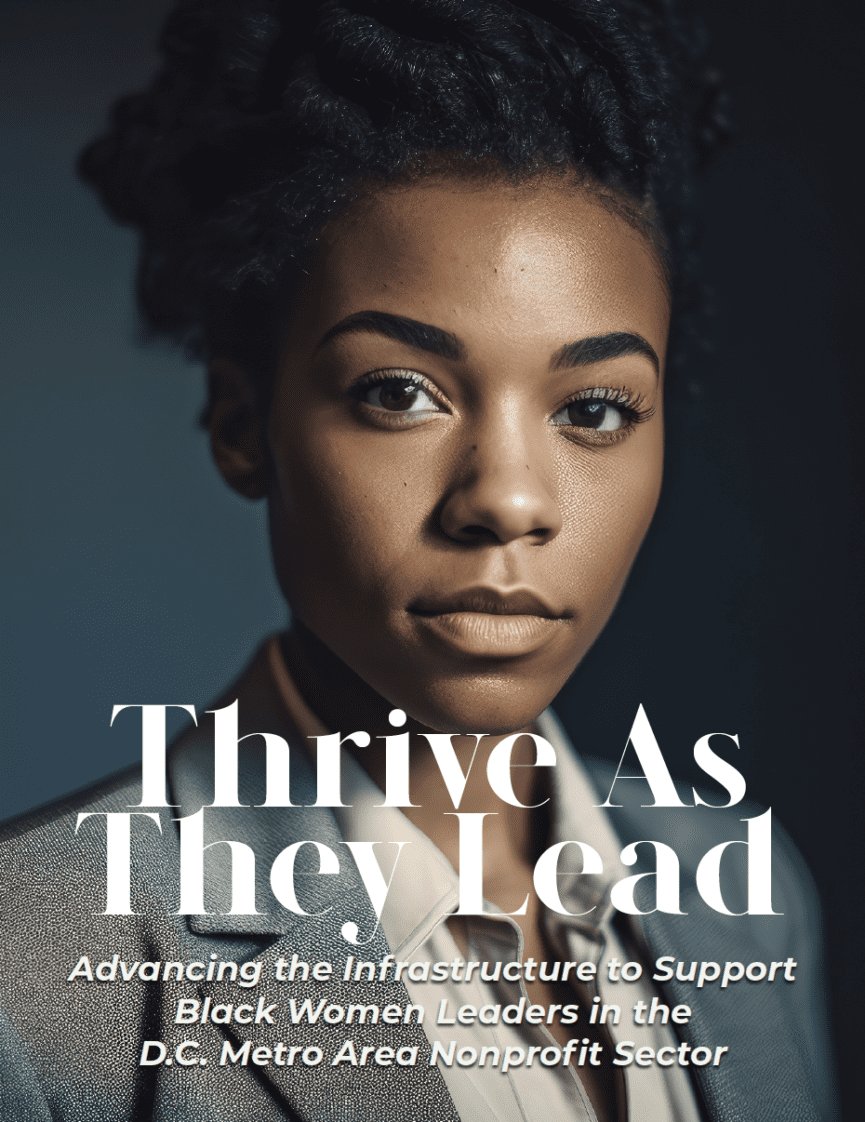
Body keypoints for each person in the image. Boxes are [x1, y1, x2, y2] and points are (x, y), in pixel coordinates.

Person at [0, 2, 833, 1120]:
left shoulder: (750, 895)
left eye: (592, 407)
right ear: (244, 425)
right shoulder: (32, 971)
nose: (506, 500)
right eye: (399, 393)